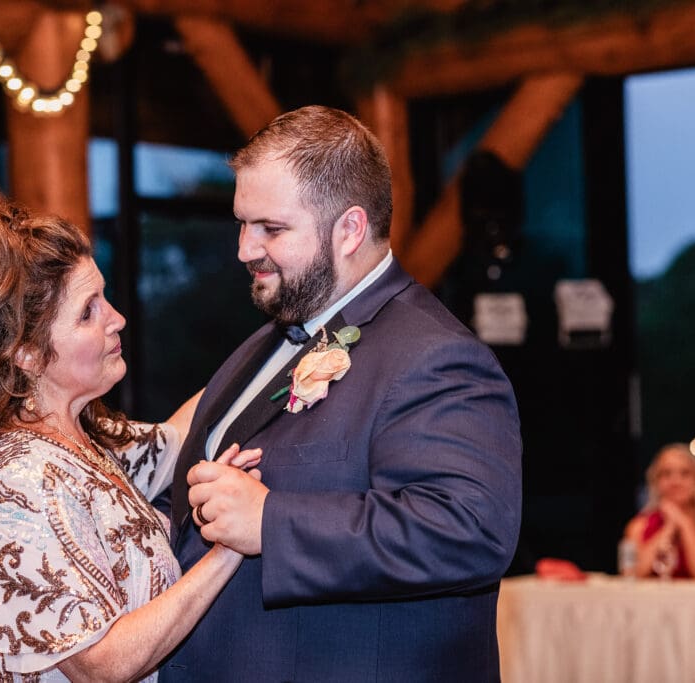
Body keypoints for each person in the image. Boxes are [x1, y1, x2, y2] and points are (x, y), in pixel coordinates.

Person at [161, 106, 523, 681]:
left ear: (350, 229)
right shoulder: (259, 346)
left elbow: (470, 528)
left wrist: (271, 521)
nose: (243, 249)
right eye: (241, 223)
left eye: (271, 229)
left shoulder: (436, 356)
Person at [0, 201, 260, 682]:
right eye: (88, 313)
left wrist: (281, 351)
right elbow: (101, 665)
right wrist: (229, 550)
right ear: (27, 353)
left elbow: (177, 436)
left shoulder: (80, 440)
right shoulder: (13, 488)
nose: (117, 319)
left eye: (105, 297)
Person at [623, 443, 695, 579]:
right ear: (656, 482)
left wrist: (683, 522)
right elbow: (631, 574)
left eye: (685, 474)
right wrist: (668, 528)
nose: (675, 481)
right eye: (666, 474)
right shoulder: (638, 526)